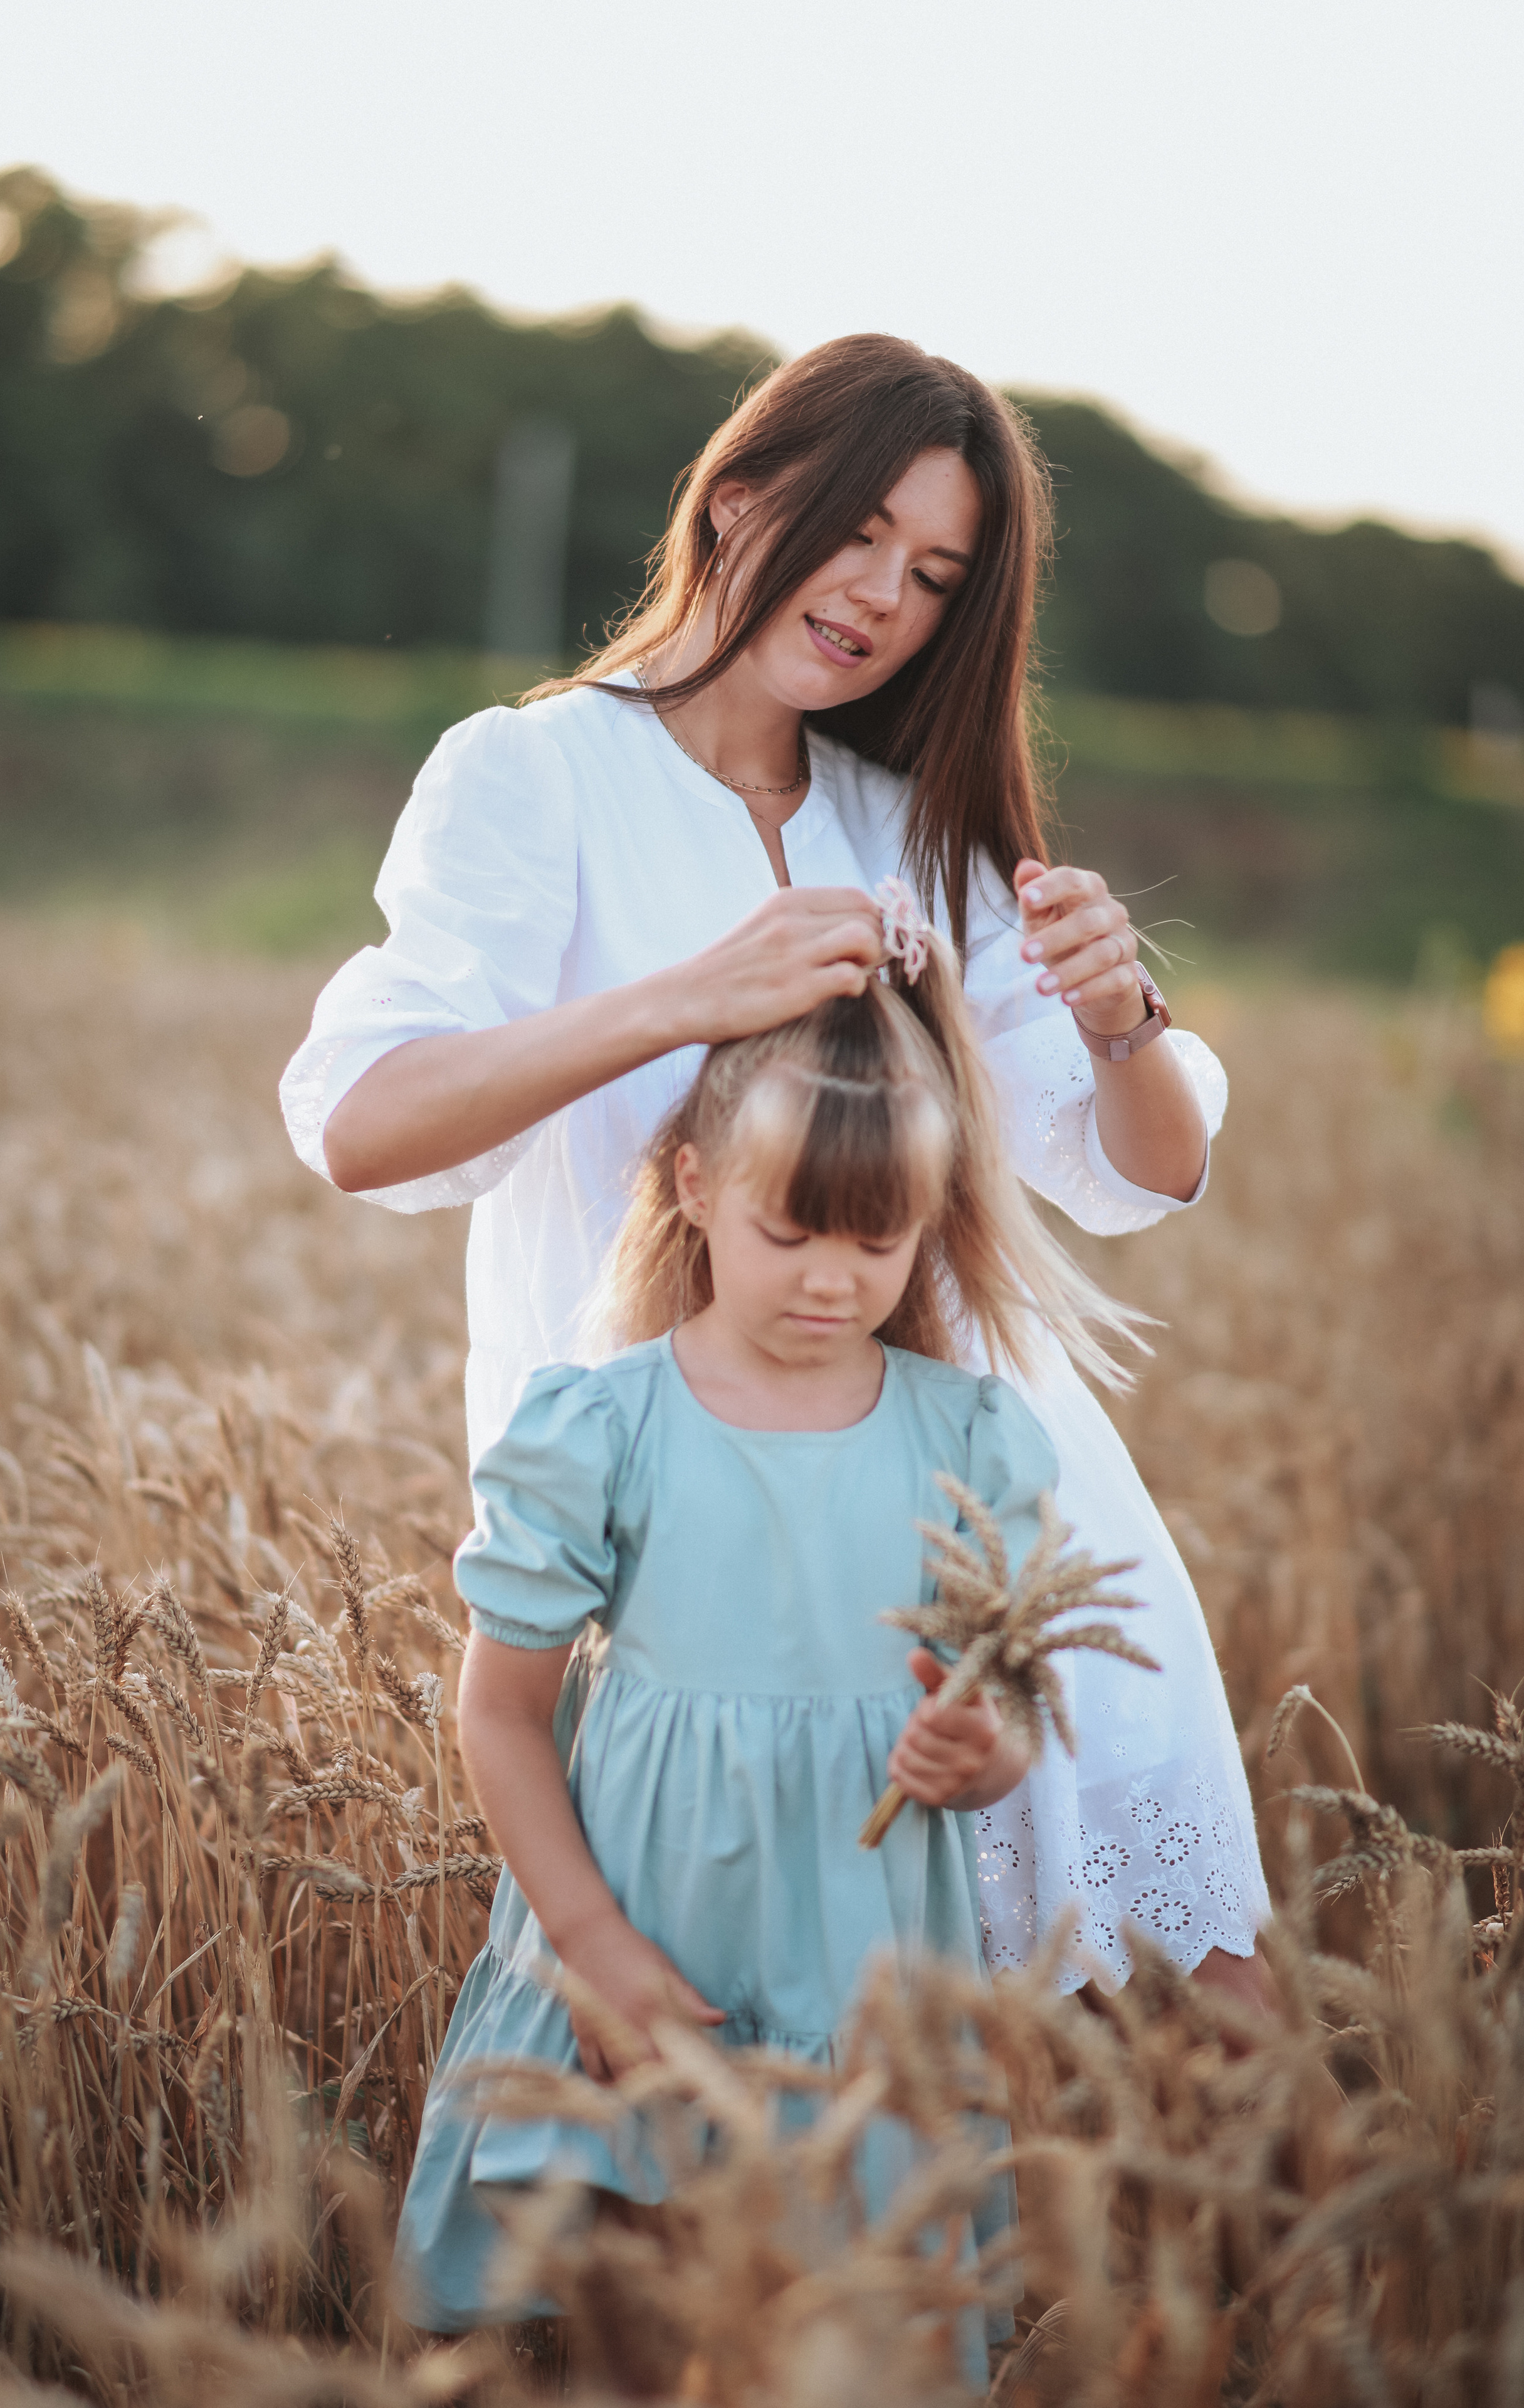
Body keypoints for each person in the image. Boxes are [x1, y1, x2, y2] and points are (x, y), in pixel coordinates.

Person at [280, 332, 1269, 2002]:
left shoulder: (912, 821)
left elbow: (1138, 1177)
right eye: (861, 530)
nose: (885, 591)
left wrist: (1119, 1027)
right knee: (767, 2098)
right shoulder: (537, 775)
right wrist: (683, 999)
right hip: (694, 1532)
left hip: (988, 1519)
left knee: (1194, 2033)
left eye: (937, 573)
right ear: (739, 500)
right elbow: (365, 1120)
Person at [391, 904, 1116, 2366]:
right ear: (692, 1184)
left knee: (834, 2344)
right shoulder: (602, 1426)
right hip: (643, 1947)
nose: (832, 1281)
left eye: (877, 1238)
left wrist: (981, 1750)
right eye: (787, 1230)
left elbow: (1003, 1718)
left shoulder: (967, 1437)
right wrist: (591, 1948)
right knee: (638, 2333)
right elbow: (501, 1715)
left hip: (862, 1982)